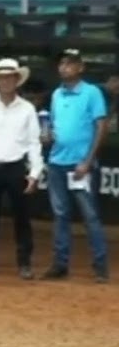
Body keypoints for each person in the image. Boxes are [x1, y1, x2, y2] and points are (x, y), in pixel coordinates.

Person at [0, 59, 42, 280]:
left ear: (16, 80)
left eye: (10, 77)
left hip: (15, 167)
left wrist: (34, 173)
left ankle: (24, 264)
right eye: (2, 77)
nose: (6, 81)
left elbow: (34, 142)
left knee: (22, 218)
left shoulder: (27, 109)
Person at [42, 48, 109, 282]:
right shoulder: (56, 95)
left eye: (70, 63)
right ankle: (60, 264)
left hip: (81, 165)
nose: (64, 67)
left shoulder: (92, 92)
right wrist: (47, 136)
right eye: (62, 63)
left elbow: (101, 126)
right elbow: (53, 125)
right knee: (60, 215)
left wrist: (88, 161)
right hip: (57, 162)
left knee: (90, 216)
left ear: (81, 67)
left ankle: (100, 266)